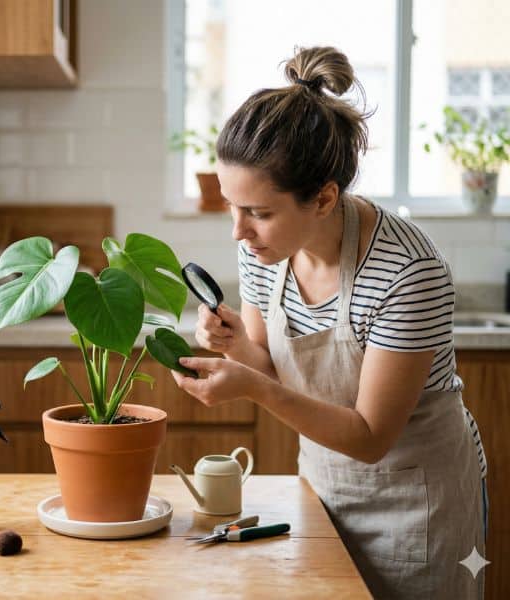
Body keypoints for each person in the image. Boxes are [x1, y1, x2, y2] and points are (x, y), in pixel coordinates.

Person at [172, 46, 487, 600]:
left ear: (323, 199)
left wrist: (251, 387)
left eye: (259, 212)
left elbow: (369, 437)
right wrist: (238, 346)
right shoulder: (264, 250)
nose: (237, 231)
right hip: (322, 489)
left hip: (420, 505)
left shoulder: (407, 272)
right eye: (231, 205)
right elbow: (272, 366)